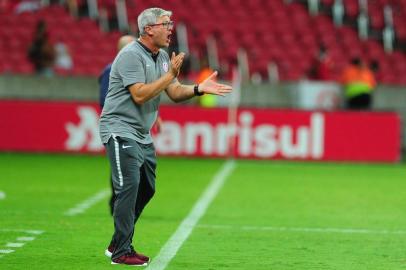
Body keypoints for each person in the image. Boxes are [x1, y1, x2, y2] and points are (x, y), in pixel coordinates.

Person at [99, 7, 232, 266]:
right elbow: (139, 94)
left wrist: (197, 89)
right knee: (129, 187)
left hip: (142, 133)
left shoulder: (160, 57)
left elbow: (173, 91)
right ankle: (121, 251)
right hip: (119, 128)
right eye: (165, 23)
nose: (170, 28)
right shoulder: (130, 56)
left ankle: (119, 239)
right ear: (149, 29)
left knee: (147, 188)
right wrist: (170, 75)